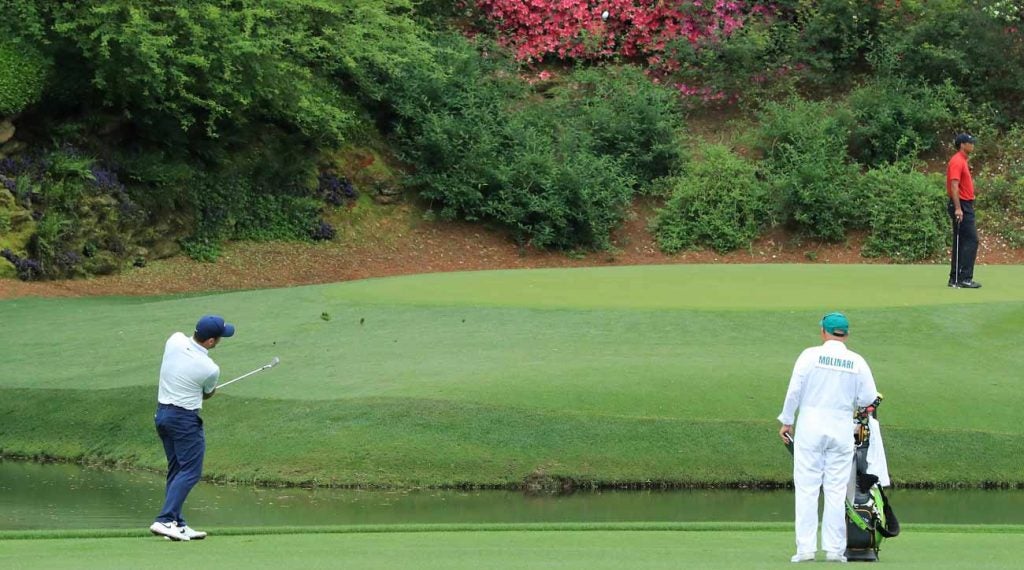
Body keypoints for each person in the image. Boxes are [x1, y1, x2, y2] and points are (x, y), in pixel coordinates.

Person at [778, 312, 879, 563]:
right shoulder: (857, 361)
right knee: (836, 490)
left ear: (823, 332)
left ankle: (805, 549)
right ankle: (834, 550)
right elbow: (868, 400)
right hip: (840, 429)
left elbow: (794, 391)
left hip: (810, 428)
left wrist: (786, 421)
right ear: (845, 334)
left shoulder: (809, 356)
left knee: (807, 489)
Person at [149, 314, 235, 541]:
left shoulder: (174, 340)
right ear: (210, 342)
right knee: (190, 471)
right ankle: (165, 520)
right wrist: (210, 390)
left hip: (162, 415)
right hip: (184, 420)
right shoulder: (210, 368)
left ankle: (177, 523)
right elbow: (207, 394)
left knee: (177, 469)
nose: (219, 341)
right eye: (219, 338)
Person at [947, 133, 981, 288]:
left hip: (964, 204)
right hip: (962, 205)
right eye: (970, 142)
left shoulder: (963, 161)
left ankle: (955, 278)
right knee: (971, 240)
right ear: (962, 144)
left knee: (960, 241)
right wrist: (959, 208)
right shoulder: (957, 161)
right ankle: (964, 278)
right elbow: (954, 186)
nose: (972, 145)